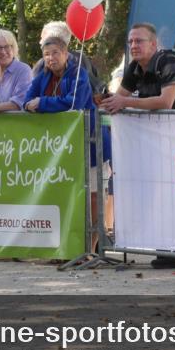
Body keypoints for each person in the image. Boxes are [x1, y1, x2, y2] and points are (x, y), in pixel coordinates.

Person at [25, 36, 110, 252]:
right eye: (46, 54)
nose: (50, 58)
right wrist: (33, 104)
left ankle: (90, 249)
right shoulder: (42, 76)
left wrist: (42, 103)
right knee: (66, 196)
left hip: (91, 144)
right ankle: (66, 248)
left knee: (94, 197)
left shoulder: (78, 74)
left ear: (66, 54)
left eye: (55, 53)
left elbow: (74, 102)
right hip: (61, 149)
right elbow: (27, 100)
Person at [101, 23, 175, 113]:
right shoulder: (135, 66)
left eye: (138, 41)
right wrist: (101, 100)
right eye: (130, 42)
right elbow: (119, 96)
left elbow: (166, 103)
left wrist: (125, 102)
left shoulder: (168, 60)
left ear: (153, 44)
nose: (133, 46)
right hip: (158, 125)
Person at [32, 20, 104, 94]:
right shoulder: (81, 57)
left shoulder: (44, 63)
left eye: (42, 38)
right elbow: (98, 85)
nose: (40, 42)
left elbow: (32, 91)